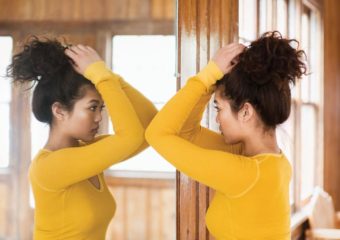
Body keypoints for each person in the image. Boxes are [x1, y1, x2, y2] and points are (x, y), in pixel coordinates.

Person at [146, 31, 306, 239]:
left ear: (246, 112)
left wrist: (208, 75)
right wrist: (211, 83)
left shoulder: (244, 173)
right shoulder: (272, 163)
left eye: (219, 109)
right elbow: (187, 132)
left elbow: (156, 134)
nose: (216, 119)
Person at [7, 37, 157, 239]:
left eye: (101, 108)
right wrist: (102, 76)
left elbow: (149, 128)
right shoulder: (49, 166)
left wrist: (111, 78)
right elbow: (130, 137)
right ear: (59, 111)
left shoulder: (86, 152)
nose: (99, 117)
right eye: (92, 107)